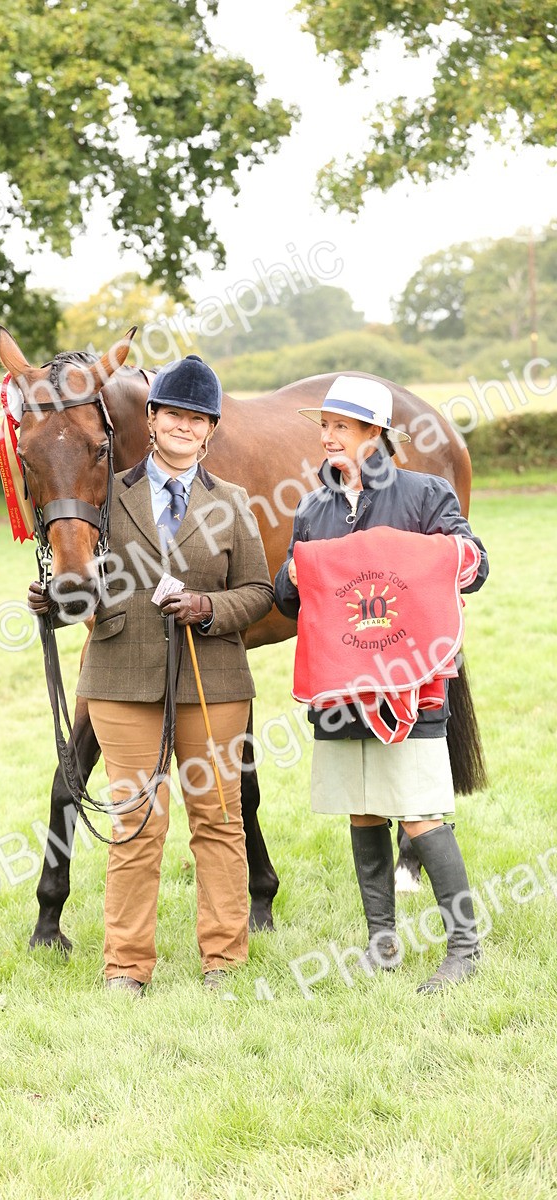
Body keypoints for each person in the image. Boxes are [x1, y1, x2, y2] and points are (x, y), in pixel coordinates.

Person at [32, 355, 273, 993]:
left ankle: (224, 962)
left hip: (212, 681)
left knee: (219, 823)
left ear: (211, 429)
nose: (186, 428)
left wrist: (205, 607)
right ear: (152, 418)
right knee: (137, 824)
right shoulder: (104, 495)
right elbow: (86, 582)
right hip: (121, 679)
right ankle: (126, 967)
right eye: (175, 415)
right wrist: (56, 604)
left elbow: (258, 592)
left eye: (199, 419)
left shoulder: (235, 504)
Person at [274, 375, 489, 994]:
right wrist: (294, 574)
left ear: (375, 433)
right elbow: (294, 603)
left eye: (340, 426)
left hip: (409, 683)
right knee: (364, 812)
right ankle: (383, 944)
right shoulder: (313, 508)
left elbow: (471, 564)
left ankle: (464, 948)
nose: (327, 437)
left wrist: (424, 554)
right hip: (341, 688)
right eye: (324, 427)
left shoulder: (425, 494)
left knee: (419, 815)